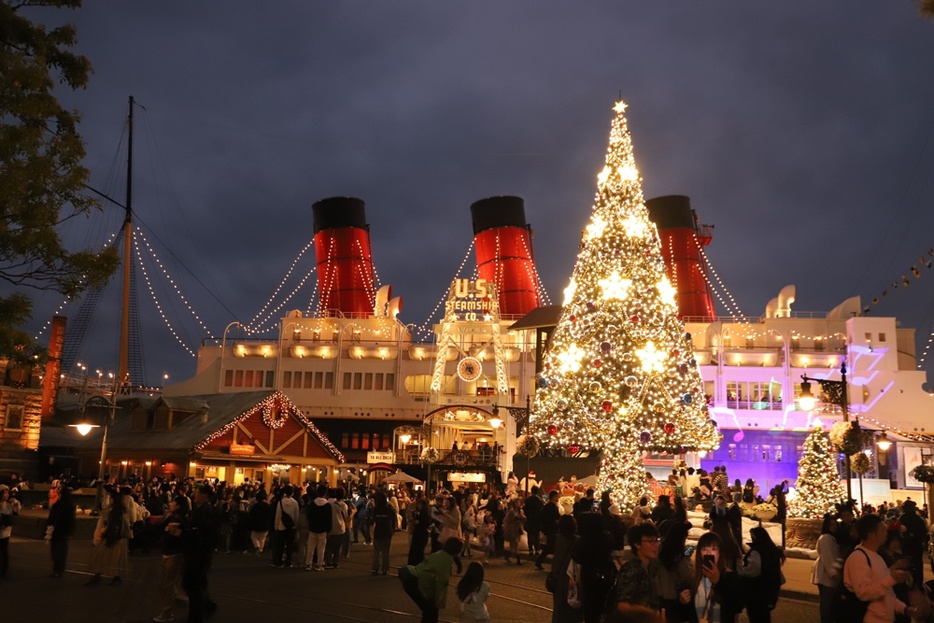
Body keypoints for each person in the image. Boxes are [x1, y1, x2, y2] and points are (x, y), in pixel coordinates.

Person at [842, 513, 919, 622]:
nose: (886, 533)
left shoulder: (877, 556)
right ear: (872, 535)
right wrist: (892, 579)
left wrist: (904, 609)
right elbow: (864, 593)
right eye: (883, 529)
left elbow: (886, 593)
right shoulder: (858, 558)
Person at [176, 483, 219, 623]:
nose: (194, 495)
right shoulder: (200, 509)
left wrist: (183, 532)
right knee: (196, 584)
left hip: (198, 554)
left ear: (204, 495)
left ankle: (197, 616)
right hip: (197, 553)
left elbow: (201, 533)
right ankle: (206, 606)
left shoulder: (206, 511)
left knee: (192, 584)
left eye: (197, 492)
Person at [399, 536, 463, 623]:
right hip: (415, 581)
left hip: (411, 574)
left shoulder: (440, 553)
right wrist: (439, 602)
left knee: (429, 610)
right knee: (430, 610)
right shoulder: (446, 560)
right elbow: (441, 582)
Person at [691, 532, 744, 623]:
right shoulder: (693, 578)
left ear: (720, 553)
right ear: (699, 553)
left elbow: (737, 606)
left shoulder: (730, 578)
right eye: (704, 549)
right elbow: (689, 613)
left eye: (713, 549)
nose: (708, 552)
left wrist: (718, 583)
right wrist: (682, 599)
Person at [154, 495, 190, 623]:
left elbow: (182, 536)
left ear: (179, 505)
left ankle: (167, 613)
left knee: (167, 585)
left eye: (173, 502)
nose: (171, 503)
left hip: (174, 555)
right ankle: (176, 600)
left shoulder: (180, 519)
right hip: (168, 553)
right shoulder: (171, 516)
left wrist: (174, 531)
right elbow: (160, 529)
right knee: (166, 583)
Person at [609, 522, 660, 612]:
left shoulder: (651, 566)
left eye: (656, 540)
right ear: (637, 544)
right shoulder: (631, 569)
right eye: (651, 541)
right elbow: (623, 605)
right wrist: (647, 614)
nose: (656, 545)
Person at [738, 526, 784, 623]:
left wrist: (740, 571)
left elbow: (753, 571)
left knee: (756, 616)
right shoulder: (772, 550)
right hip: (770, 589)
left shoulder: (757, 552)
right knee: (764, 616)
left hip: (757, 590)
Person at [87, 487, 131, 585]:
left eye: (111, 498)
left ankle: (101, 576)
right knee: (114, 559)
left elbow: (115, 526)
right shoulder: (119, 510)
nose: (109, 500)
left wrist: (106, 535)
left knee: (102, 556)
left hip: (115, 538)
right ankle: (113, 577)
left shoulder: (116, 511)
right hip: (117, 537)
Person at [655, 521, 694, 623]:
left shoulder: (658, 548)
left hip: (659, 594)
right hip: (674, 597)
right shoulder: (679, 555)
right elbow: (687, 575)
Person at [811, 513, 842, 623]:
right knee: (827, 604)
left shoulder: (831, 538)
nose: (834, 526)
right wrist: (835, 574)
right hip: (826, 575)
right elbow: (828, 558)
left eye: (835, 524)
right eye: (831, 524)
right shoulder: (826, 539)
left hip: (828, 574)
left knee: (829, 604)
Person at [551, 515, 582, 623]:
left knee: (559, 608)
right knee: (572, 607)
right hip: (571, 578)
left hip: (559, 577)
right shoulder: (578, 541)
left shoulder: (557, 538)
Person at [46, 485, 76, 578]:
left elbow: (70, 521)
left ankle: (59, 570)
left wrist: (69, 531)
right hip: (55, 531)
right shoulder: (56, 505)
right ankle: (56, 569)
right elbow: (51, 518)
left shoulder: (69, 507)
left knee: (60, 552)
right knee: (55, 552)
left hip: (62, 532)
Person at [897, 500, 928, 587]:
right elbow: (924, 532)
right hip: (914, 545)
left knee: (910, 564)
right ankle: (917, 584)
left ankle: (912, 584)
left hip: (909, 545)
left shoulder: (904, 518)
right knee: (916, 564)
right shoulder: (917, 519)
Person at [305, 484, 331, 571]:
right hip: (323, 529)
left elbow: (309, 516)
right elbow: (329, 519)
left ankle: (308, 564)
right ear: (325, 493)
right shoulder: (327, 505)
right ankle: (319, 564)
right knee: (321, 548)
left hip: (313, 528)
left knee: (310, 547)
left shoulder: (312, 504)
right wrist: (328, 529)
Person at [272, 485, 299, 568]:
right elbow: (296, 516)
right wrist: (296, 526)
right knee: (289, 546)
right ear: (292, 493)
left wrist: (276, 526)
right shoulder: (295, 503)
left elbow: (278, 515)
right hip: (291, 527)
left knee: (280, 545)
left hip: (281, 526)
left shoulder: (280, 502)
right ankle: (288, 562)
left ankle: (279, 562)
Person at [371, 491, 397, 575]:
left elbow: (372, 520)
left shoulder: (375, 509)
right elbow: (394, 520)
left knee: (376, 551)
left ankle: (375, 568)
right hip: (387, 531)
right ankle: (385, 568)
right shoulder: (389, 509)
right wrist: (393, 529)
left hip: (378, 531)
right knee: (386, 552)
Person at [537, 489, 560, 570]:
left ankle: (539, 562)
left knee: (549, 547)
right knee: (550, 547)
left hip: (550, 529)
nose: (558, 497)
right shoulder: (552, 507)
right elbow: (553, 519)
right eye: (557, 496)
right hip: (551, 529)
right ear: (553, 497)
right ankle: (540, 562)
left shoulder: (548, 506)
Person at [0, 485, 20, 579]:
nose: (6, 495)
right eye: (4, 493)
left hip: (5, 531)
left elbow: (16, 513)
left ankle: (4, 570)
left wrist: (16, 504)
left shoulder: (9, 504)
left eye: (7, 493)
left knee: (4, 551)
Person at [408, 496, 431, 566]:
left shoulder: (426, 514)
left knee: (419, 551)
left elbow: (426, 523)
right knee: (413, 550)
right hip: (416, 533)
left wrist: (419, 521)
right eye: (418, 505)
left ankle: (420, 565)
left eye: (420, 505)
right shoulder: (416, 513)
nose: (418, 506)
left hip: (422, 533)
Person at [503, 498, 525, 565]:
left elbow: (523, 518)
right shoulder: (512, 511)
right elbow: (507, 519)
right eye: (516, 503)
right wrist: (514, 518)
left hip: (517, 529)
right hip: (512, 529)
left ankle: (507, 555)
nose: (518, 504)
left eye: (519, 502)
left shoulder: (520, 511)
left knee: (514, 545)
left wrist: (521, 518)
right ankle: (518, 559)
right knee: (515, 544)